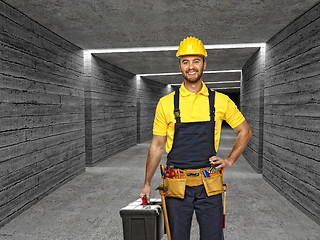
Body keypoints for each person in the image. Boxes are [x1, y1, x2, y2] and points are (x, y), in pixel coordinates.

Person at [139, 36, 252, 240]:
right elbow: (157, 146)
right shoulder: (166, 104)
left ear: (204, 64)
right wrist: (147, 184)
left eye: (196, 61)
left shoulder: (220, 101)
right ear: (180, 65)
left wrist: (229, 160)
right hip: (176, 183)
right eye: (185, 61)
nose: (191, 66)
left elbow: (245, 131)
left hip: (210, 182)